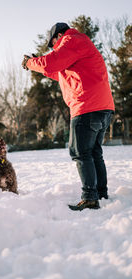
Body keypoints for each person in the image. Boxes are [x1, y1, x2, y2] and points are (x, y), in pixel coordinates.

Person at [22, 22, 115, 211]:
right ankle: (100, 193)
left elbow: (51, 62)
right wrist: (36, 64)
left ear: (58, 36)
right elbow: (58, 72)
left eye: (53, 44)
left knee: (80, 152)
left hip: (87, 107)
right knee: (94, 153)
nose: (54, 47)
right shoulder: (81, 44)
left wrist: (29, 63)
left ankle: (90, 197)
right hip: (102, 107)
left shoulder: (71, 40)